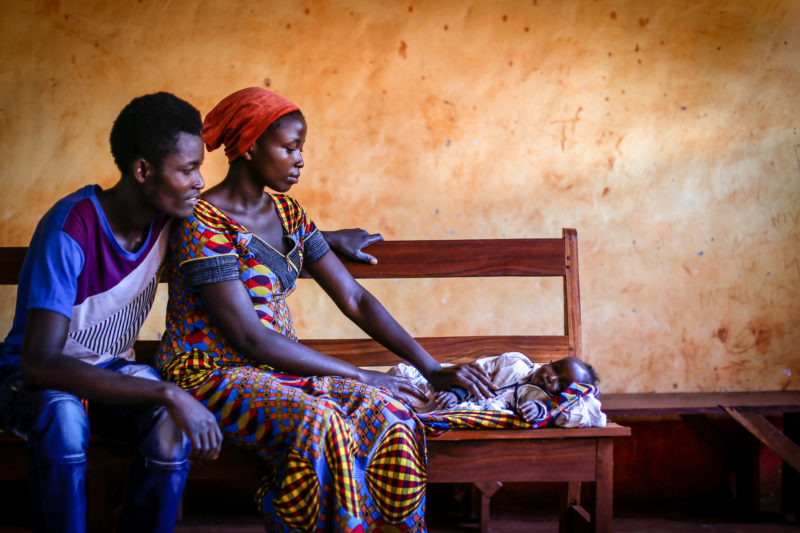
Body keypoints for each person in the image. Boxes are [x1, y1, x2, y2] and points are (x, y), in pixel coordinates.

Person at [0, 91, 382, 533]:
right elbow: (40, 363)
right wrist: (169, 392)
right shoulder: (70, 229)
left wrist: (327, 238)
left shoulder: (169, 216)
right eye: (188, 170)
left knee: (170, 428)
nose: (201, 181)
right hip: (32, 382)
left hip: (109, 374)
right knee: (66, 417)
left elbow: (248, 231)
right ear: (143, 171)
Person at [154, 87, 495, 532]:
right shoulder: (202, 222)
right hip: (209, 375)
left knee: (392, 414)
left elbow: (355, 299)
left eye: (302, 149)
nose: (300, 160)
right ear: (251, 145)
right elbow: (249, 337)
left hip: (275, 371)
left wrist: (431, 368)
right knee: (323, 423)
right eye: (290, 147)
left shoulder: (290, 214)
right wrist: (359, 374)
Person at [391, 352, 604, 426]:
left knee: (413, 404)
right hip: (452, 387)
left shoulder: (545, 401)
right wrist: (455, 393)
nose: (551, 378)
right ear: (548, 362)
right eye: (555, 368)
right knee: (406, 385)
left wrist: (540, 411)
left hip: (473, 409)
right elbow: (478, 375)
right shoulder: (516, 364)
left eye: (562, 384)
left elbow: (559, 410)